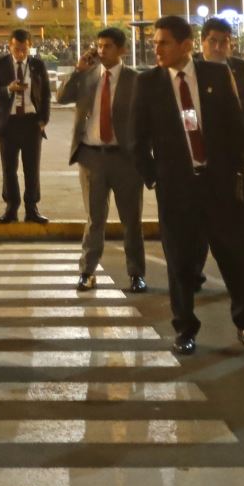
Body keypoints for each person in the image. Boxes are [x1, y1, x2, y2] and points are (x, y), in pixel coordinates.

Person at [134, 15, 244, 356]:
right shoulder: (148, 83)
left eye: (163, 42)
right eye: (155, 42)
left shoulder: (216, 75)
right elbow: (136, 139)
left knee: (235, 260)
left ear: (186, 45)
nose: (156, 48)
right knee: (180, 264)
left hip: (219, 186)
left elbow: (236, 127)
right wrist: (155, 178)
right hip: (176, 190)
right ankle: (184, 329)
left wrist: (239, 169)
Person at [58, 27, 146, 294]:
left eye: (108, 46)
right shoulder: (87, 77)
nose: (101, 51)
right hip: (92, 157)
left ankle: (136, 273)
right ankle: (87, 271)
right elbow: (61, 97)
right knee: (95, 218)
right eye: (99, 45)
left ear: (122, 50)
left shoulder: (135, 80)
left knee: (131, 219)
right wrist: (78, 69)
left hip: (125, 159)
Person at [196, 17, 244, 295]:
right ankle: (194, 272)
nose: (218, 46)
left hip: (240, 154)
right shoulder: (192, 69)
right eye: (212, 41)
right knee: (199, 216)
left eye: (223, 41)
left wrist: (230, 107)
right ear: (202, 41)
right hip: (203, 154)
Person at [0, 28, 50, 224]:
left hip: (31, 123)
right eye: (16, 49)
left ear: (30, 47)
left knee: (32, 168)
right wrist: (8, 89)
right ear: (10, 46)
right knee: (9, 168)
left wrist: (43, 120)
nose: (20, 53)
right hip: (9, 123)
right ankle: (11, 208)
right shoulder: (2, 64)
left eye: (24, 49)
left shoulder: (37, 65)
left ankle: (32, 208)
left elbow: (46, 93)